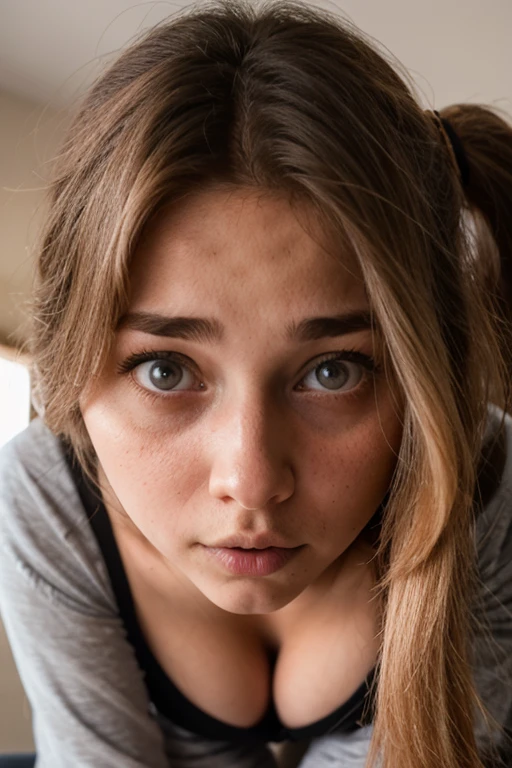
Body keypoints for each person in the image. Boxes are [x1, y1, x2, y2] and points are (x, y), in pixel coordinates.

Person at [0, 1, 511, 766]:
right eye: (165, 370)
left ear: (421, 374)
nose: (251, 480)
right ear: (73, 368)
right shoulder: (47, 496)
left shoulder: (483, 481)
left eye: (333, 372)